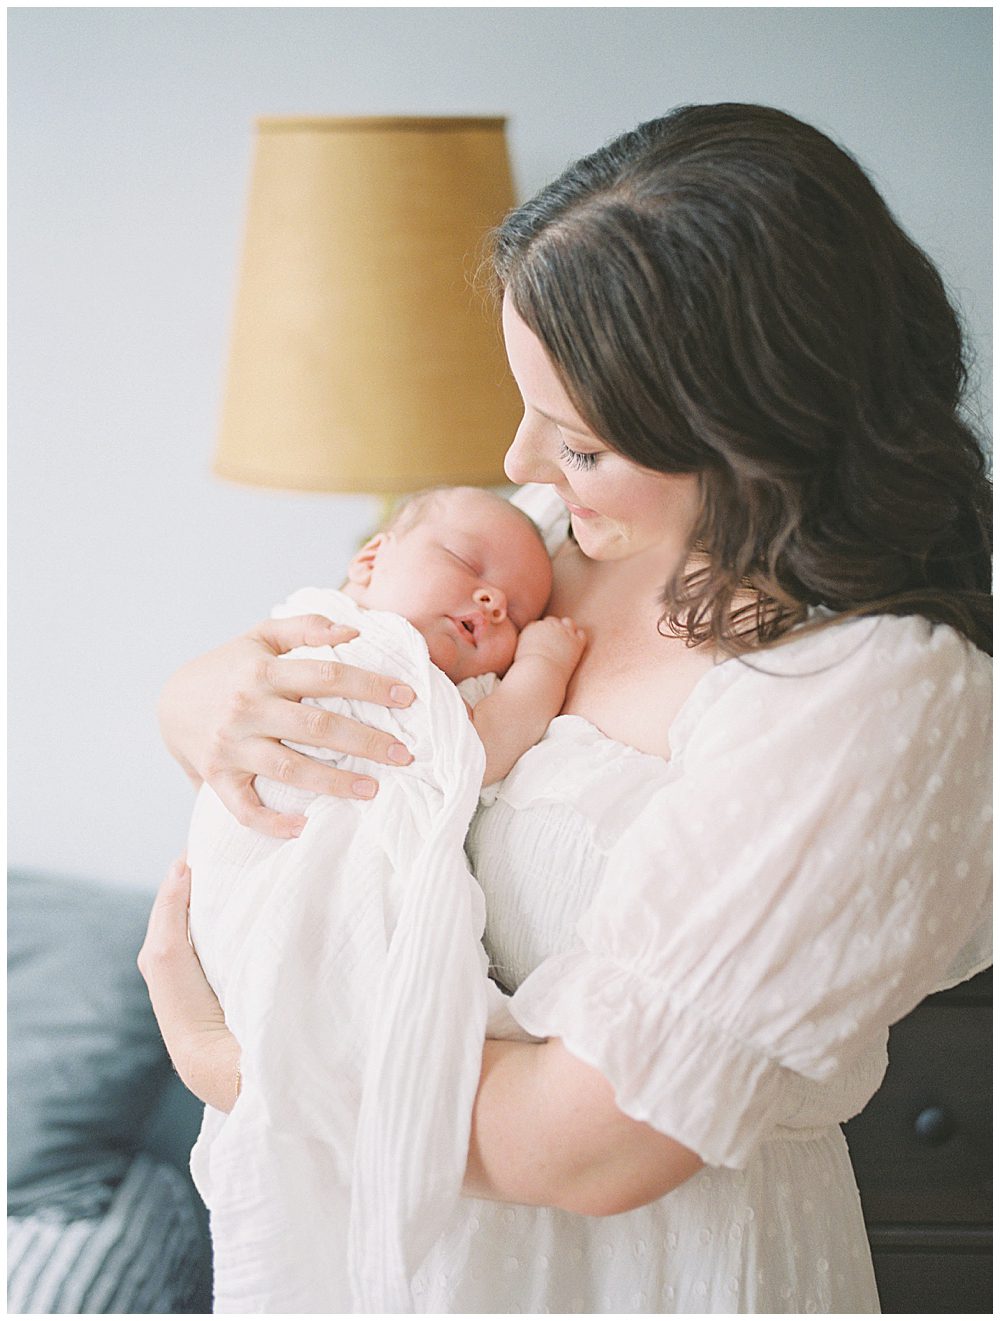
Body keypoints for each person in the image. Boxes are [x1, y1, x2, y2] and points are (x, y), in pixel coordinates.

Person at [140, 103, 992, 1313]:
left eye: (582, 443)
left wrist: (232, 1062)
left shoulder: (873, 693)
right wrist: (205, 698)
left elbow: (587, 1147)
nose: (520, 457)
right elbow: (284, 666)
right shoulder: (543, 547)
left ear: (750, 434)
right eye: (526, 403)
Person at [184, 483, 585, 1311]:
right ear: (370, 561)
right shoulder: (334, 636)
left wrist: (523, 665)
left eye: (515, 610)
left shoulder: (448, 696)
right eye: (467, 566)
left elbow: (465, 753)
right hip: (269, 870)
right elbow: (486, 745)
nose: (491, 598)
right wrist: (542, 663)